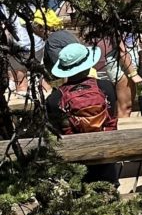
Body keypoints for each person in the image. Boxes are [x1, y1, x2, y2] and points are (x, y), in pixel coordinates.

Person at [46, 41, 120, 186]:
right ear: (88, 64)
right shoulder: (106, 87)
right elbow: (112, 117)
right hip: (106, 157)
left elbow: (55, 133)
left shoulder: (54, 99)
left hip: (75, 164)